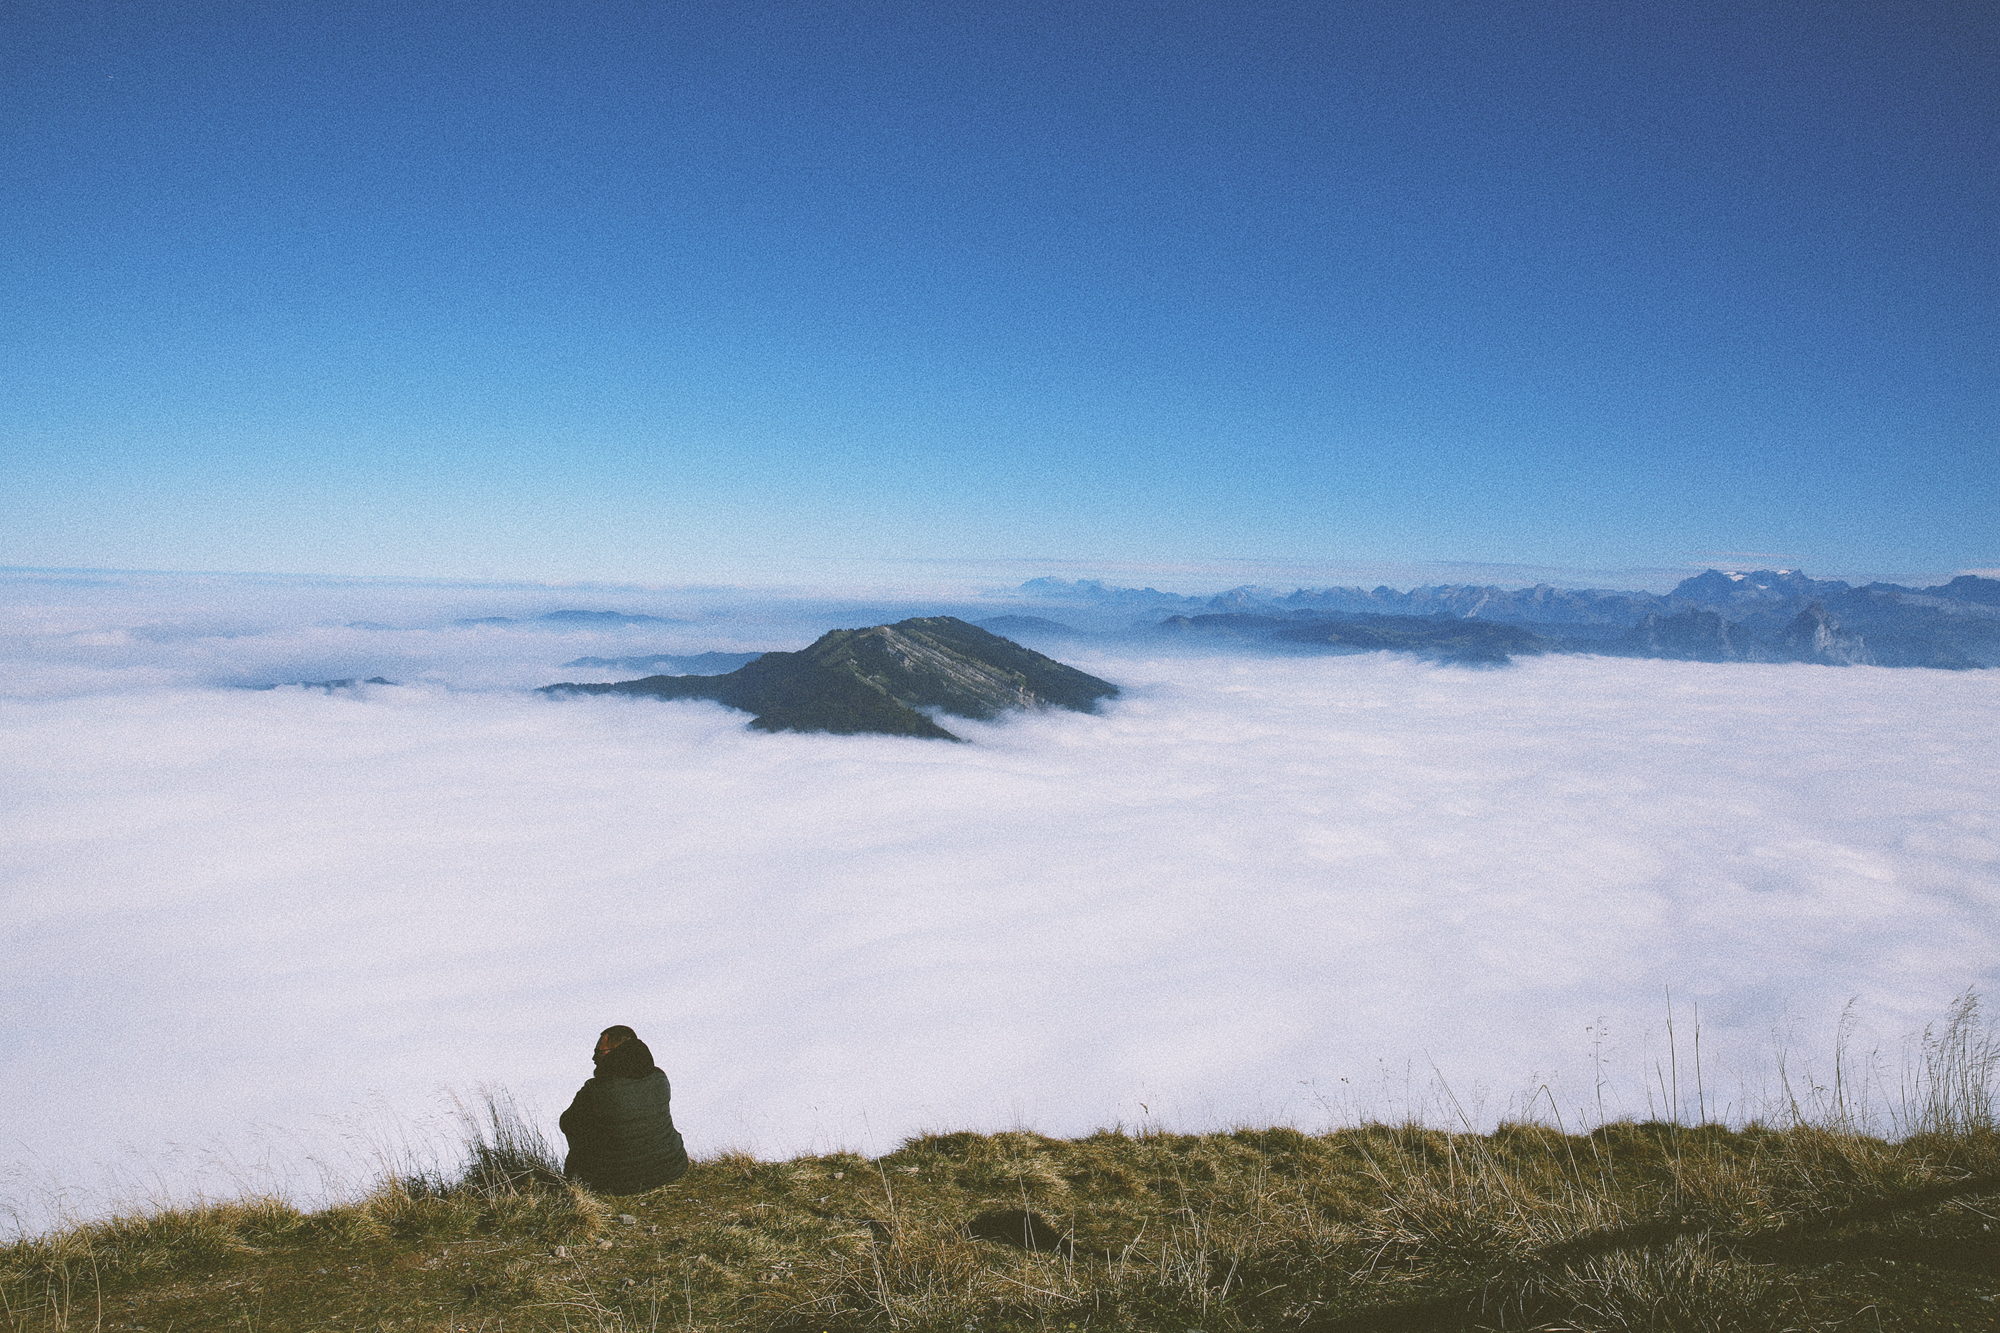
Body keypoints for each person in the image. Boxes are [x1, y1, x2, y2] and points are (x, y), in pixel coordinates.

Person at [558, 1024, 689, 1193]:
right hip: (672, 1169)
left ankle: (581, 1180)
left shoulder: (595, 1090)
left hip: (617, 1183)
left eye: (599, 1052)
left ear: (618, 1052)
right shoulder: (659, 1078)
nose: (593, 1058)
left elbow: (567, 1123)